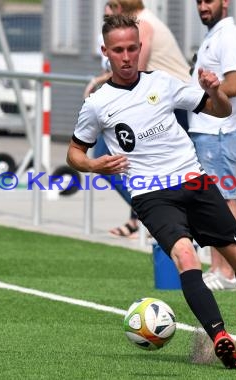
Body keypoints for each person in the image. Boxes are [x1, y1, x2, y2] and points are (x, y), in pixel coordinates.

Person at [67, 14, 236, 369]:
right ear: (106, 52)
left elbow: (221, 111)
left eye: (133, 48)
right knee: (185, 256)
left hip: (193, 182)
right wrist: (93, 165)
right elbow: (74, 153)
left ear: (140, 48)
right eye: (118, 50)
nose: (127, 56)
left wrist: (213, 90)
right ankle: (220, 336)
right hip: (151, 195)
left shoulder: (163, 83)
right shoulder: (97, 104)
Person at [84, 0, 192, 238]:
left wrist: (98, 86)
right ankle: (141, 218)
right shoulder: (141, 21)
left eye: (111, 6)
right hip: (158, 102)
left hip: (168, 104)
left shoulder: (143, 24)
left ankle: (156, 218)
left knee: (108, 157)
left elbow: (134, 74)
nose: (108, 12)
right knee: (133, 164)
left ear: (121, 7)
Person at [188, 0, 236, 291]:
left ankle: (228, 271)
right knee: (215, 199)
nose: (202, 6)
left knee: (225, 199)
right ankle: (219, 267)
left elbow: (234, 85)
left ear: (225, 2)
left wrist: (198, 94)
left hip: (219, 131)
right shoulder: (214, 35)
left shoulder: (229, 36)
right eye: (198, 1)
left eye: (208, 0)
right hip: (209, 130)